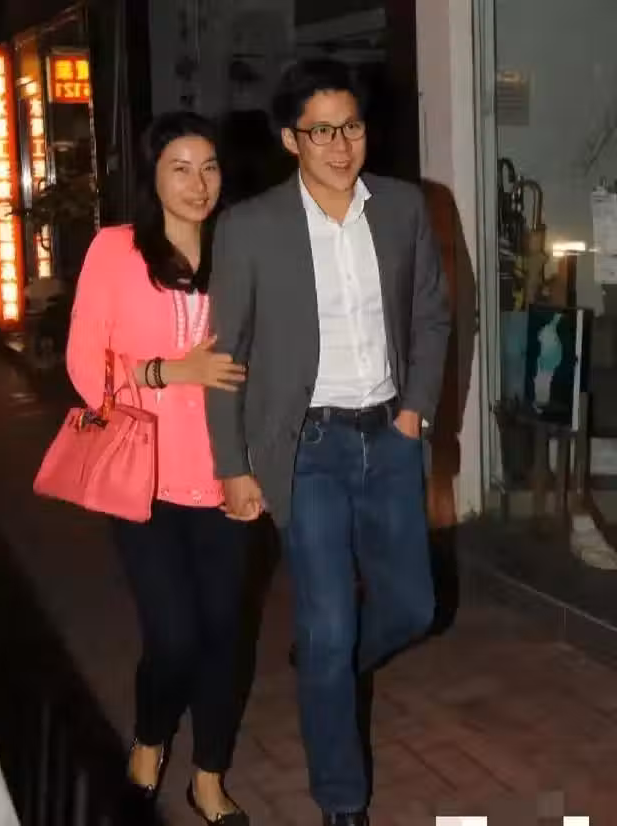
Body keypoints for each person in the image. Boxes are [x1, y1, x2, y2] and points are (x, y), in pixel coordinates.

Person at [206, 59, 450, 824]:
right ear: (291, 139)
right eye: (321, 132)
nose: (341, 146)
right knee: (329, 622)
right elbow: (226, 354)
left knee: (412, 607)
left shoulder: (404, 208)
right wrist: (232, 466)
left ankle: (326, 664)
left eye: (351, 127)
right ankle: (342, 801)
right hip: (306, 449)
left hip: (390, 438)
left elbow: (431, 315)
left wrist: (415, 415)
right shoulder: (250, 227)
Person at [66, 111, 251, 825]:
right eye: (181, 168)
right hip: (141, 480)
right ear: (153, 176)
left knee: (224, 636)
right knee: (173, 635)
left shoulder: (238, 249)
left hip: (227, 475)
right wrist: (170, 370)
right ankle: (150, 740)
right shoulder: (115, 249)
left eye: (210, 167)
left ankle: (209, 778)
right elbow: (85, 366)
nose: (199, 183)